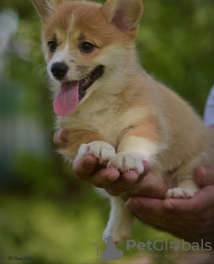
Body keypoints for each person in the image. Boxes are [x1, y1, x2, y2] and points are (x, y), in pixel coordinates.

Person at [54, 86, 214, 244]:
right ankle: (120, 201)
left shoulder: (137, 90)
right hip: (145, 171)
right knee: (112, 171)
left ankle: (187, 183)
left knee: (191, 165)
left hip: (186, 159)